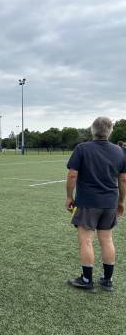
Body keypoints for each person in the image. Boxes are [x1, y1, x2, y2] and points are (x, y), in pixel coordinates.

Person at [66, 117, 126, 291]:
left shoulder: (82, 148)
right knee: (107, 240)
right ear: (110, 131)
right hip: (110, 203)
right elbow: (123, 179)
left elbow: (72, 175)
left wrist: (69, 197)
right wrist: (121, 201)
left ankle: (86, 280)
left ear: (92, 130)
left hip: (87, 202)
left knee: (86, 241)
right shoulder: (120, 151)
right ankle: (107, 280)